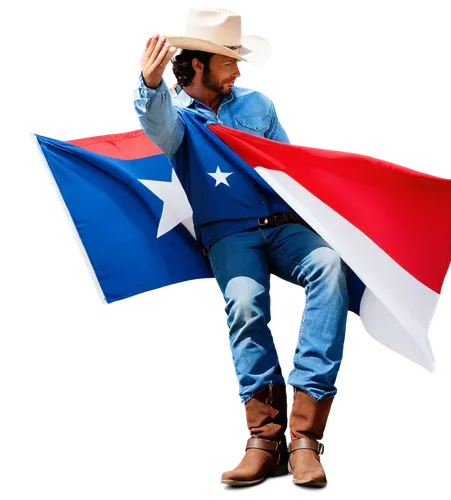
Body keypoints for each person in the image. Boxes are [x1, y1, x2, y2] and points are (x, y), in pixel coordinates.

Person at [131, 6, 350, 489]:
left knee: (329, 267)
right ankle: (261, 441)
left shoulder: (256, 104)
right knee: (247, 303)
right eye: (229, 60)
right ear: (196, 66)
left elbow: (287, 166)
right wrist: (148, 88)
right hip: (230, 233)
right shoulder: (173, 116)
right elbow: (156, 132)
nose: (240, 68)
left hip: (283, 224)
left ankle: (307, 438)